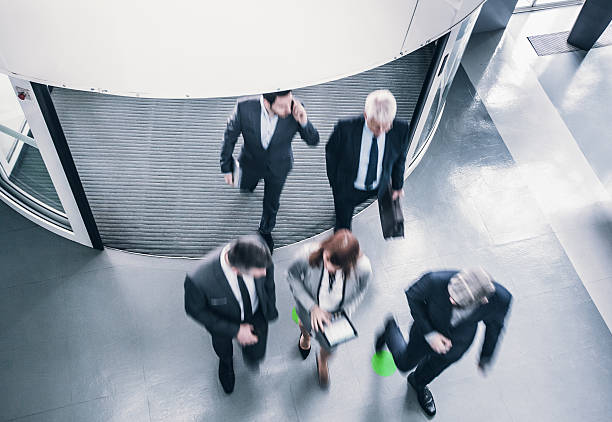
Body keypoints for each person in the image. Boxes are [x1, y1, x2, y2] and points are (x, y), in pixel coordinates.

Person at [374, 268, 512, 416]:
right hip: (426, 332)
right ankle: (390, 329)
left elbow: (495, 326)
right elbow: (413, 295)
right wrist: (430, 335)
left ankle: (418, 383)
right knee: (404, 364)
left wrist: (486, 356)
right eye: (451, 294)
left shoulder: (501, 299)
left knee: (433, 369)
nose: (451, 300)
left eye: (458, 302)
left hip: (458, 342)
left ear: (483, 300)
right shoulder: (435, 280)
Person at [220, 90, 320, 252]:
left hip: (279, 166)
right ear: (267, 103)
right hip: (250, 162)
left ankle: (266, 230)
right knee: (246, 186)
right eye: (282, 106)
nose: (288, 110)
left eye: (289, 102)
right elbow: (229, 137)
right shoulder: (244, 107)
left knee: (272, 202)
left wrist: (303, 121)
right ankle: (248, 185)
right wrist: (226, 167)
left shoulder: (295, 109)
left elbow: (313, 140)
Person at [184, 236, 277, 394]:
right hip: (222, 322)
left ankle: (252, 356)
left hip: (256, 314)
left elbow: (268, 282)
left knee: (256, 352)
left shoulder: (258, 249)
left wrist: (270, 306)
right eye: (257, 272)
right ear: (236, 270)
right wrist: (236, 331)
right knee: (223, 349)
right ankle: (226, 363)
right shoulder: (199, 279)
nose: (265, 272)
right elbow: (196, 310)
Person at [287, 229, 372, 387]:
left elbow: (361, 291)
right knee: (304, 324)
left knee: (331, 347)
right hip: (308, 308)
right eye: (326, 259)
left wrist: (346, 312)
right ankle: (305, 337)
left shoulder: (363, 269)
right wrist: (312, 307)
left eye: (336, 266)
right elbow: (292, 276)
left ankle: (322, 361)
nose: (328, 267)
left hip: (335, 317)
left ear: (350, 263)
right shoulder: (308, 253)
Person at [325, 89, 410, 231]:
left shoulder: (401, 129)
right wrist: (336, 184)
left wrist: (397, 186)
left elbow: (400, 159)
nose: (381, 131)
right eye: (376, 126)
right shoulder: (344, 129)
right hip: (348, 189)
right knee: (342, 227)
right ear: (366, 115)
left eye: (386, 125)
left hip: (379, 186)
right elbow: (331, 155)